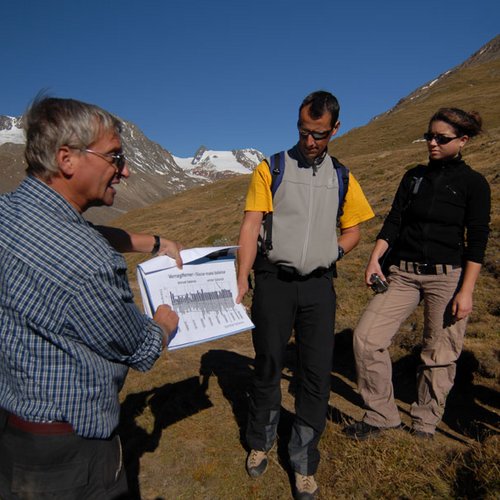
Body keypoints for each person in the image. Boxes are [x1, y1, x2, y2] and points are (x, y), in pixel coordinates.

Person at [0, 96, 182, 499]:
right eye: (115, 157)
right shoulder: (90, 265)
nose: (126, 171)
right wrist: (166, 324)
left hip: (14, 430)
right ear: (67, 159)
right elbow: (140, 349)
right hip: (71, 456)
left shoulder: (8, 213)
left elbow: (70, 233)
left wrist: (150, 242)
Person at [236, 90, 374, 499]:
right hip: (274, 281)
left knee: (316, 373)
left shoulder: (343, 176)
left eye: (318, 134)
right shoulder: (271, 168)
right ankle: (259, 442)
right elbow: (250, 226)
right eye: (302, 131)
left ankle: (304, 462)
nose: (309, 141)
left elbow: (354, 230)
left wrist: (334, 250)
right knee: (268, 363)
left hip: (318, 286)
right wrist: (242, 277)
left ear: (335, 128)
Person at [344, 108, 491, 441]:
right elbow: (394, 221)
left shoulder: (474, 184)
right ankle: (381, 414)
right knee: (366, 339)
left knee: (438, 354)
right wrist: (374, 259)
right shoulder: (413, 176)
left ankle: (425, 422)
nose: (433, 143)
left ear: (463, 141)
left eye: (442, 138)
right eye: (429, 136)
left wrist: (466, 291)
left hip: (447, 277)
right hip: (403, 274)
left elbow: (477, 239)